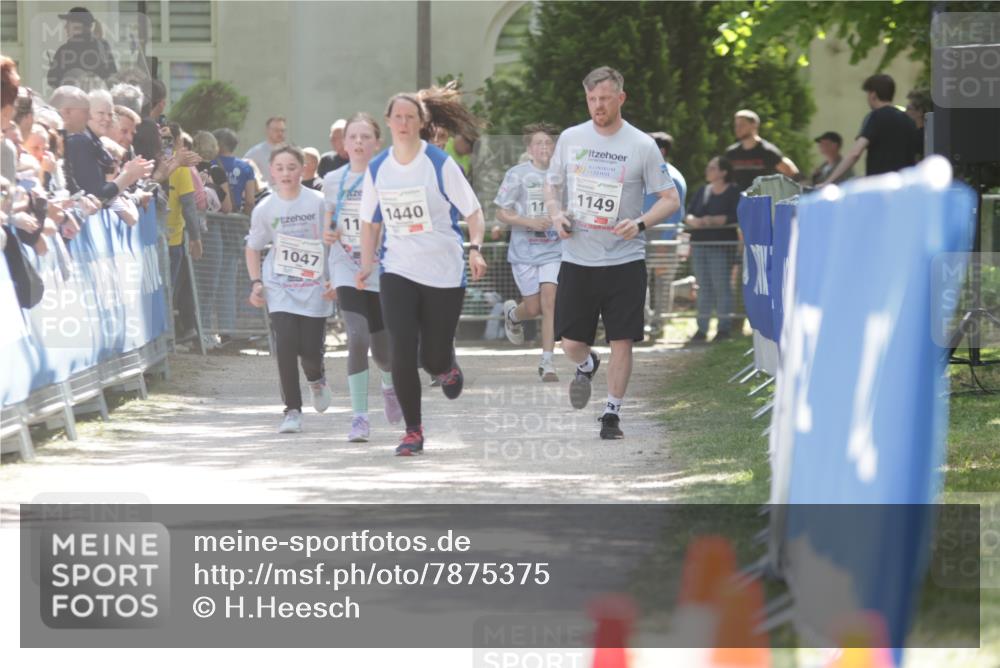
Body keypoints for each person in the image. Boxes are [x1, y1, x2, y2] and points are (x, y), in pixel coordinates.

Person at [544, 66, 679, 440]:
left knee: (622, 339)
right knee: (570, 343)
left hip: (625, 260)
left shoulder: (641, 145)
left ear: (621, 98)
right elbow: (551, 186)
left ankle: (611, 414)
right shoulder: (571, 138)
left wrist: (640, 223)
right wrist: (556, 214)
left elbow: (670, 199)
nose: (598, 106)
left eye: (604, 98)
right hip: (578, 258)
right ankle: (587, 363)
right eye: (591, 99)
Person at [356, 86, 488, 456]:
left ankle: (445, 368)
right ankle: (413, 431)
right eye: (397, 117)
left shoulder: (438, 163)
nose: (403, 123)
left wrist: (476, 249)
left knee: (432, 356)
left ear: (421, 122)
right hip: (397, 269)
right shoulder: (378, 168)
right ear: (388, 122)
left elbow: (473, 212)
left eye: (409, 117)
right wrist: (366, 264)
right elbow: (369, 222)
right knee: (401, 349)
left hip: (443, 270)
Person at [321, 112, 403, 441]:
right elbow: (329, 220)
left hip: (382, 267)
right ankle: (359, 418)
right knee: (357, 337)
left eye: (365, 137)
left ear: (377, 143)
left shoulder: (389, 177)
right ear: (343, 143)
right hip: (346, 264)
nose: (358, 142)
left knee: (383, 353)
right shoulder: (333, 180)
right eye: (352, 137)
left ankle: (389, 384)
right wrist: (329, 233)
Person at [246, 145, 333, 434]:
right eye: (280, 168)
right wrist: (256, 282)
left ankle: (316, 378)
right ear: (271, 172)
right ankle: (292, 410)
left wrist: (334, 278)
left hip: (314, 287)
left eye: (292, 167)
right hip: (279, 287)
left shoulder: (318, 202)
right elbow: (253, 247)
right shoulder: (265, 208)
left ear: (303, 169)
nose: (286, 173)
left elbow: (333, 240)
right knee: (285, 346)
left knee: (310, 352)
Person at [496, 122, 562, 382]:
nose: (543, 147)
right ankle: (514, 315)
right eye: (538, 143)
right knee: (533, 308)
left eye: (548, 142)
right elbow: (502, 212)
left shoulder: (563, 175)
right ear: (530, 149)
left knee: (549, 303)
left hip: (554, 249)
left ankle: (547, 362)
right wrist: (529, 222)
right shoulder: (517, 174)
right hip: (524, 250)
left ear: (554, 147)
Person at [819, 74, 919, 185]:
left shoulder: (875, 117)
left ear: (873, 95)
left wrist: (828, 181)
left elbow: (855, 153)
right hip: (905, 185)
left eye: (868, 93)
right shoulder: (908, 120)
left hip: (880, 186)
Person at [685, 156, 741, 343]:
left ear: (724, 172)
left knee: (722, 287)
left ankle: (723, 329)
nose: (708, 170)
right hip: (700, 245)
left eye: (713, 168)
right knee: (703, 287)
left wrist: (715, 220)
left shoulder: (734, 191)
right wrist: (694, 221)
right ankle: (701, 330)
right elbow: (689, 213)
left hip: (721, 246)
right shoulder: (703, 190)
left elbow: (736, 215)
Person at [724, 109, 799, 191]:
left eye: (742, 125)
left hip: (763, 197)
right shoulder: (731, 153)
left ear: (754, 125)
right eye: (736, 125)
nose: (738, 128)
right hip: (739, 198)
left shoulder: (768, 152)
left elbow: (791, 172)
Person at [46, 7, 118, 90]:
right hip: (99, 96)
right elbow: (112, 74)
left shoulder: (65, 50)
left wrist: (53, 67)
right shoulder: (103, 45)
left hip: (73, 97)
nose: (65, 27)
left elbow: (52, 81)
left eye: (68, 24)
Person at [643, 131, 686, 237]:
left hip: (658, 238)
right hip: (644, 235)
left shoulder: (671, 179)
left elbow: (674, 216)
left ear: (661, 152)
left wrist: (665, 242)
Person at [244, 116, 287, 185]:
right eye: (276, 130)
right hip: (266, 190)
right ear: (267, 131)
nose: (280, 133)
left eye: (282, 130)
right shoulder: (256, 152)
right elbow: (243, 172)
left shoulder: (290, 152)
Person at [905, 89, 931, 162]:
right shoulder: (913, 133)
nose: (905, 112)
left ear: (920, 112)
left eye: (909, 109)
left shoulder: (924, 136)